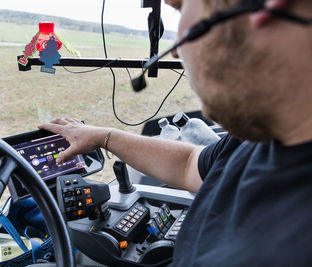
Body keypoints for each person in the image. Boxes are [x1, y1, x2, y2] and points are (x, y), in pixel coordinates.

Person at [39, 0, 312, 265]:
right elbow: (188, 164)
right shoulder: (257, 138)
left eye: (181, 7)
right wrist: (103, 136)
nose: (177, 53)